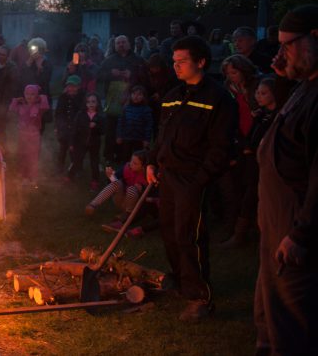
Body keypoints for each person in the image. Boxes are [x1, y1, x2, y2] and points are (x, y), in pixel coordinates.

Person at [146, 35, 236, 322]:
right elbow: (161, 135)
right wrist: (151, 161)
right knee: (170, 231)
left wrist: (200, 179)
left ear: (201, 61)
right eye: (174, 62)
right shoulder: (173, 96)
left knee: (189, 235)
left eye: (182, 61)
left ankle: (200, 297)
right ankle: (183, 283)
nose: (176, 67)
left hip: (192, 178)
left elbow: (221, 146)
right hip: (168, 175)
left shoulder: (218, 98)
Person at [253, 4, 318, 355]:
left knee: (293, 325)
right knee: (267, 315)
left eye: (287, 45)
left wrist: (300, 233)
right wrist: (281, 74)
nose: (281, 54)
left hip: (296, 231)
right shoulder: (304, 86)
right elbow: (278, 116)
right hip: (274, 223)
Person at [220, 77, 280, 248]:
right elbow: (251, 135)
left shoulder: (276, 117)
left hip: (266, 165)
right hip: (251, 162)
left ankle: (251, 234)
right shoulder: (260, 115)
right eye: (258, 93)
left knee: (257, 197)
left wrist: (252, 147)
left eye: (263, 93)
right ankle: (244, 233)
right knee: (248, 194)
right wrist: (246, 146)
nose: (259, 96)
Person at [98, 35, 145, 163]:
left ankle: (129, 157)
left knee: (130, 128)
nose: (121, 45)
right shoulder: (109, 60)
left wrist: (132, 75)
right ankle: (109, 156)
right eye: (118, 43)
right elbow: (99, 75)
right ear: (114, 45)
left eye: (123, 42)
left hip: (132, 100)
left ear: (129, 44)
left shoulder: (138, 59)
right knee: (111, 128)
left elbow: (145, 77)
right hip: (113, 100)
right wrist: (111, 74)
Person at [87, 150, 149, 235]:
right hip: (122, 200)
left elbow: (149, 199)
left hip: (134, 208)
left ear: (143, 166)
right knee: (117, 183)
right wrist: (111, 176)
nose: (131, 164)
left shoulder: (148, 177)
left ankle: (126, 216)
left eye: (135, 163)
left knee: (132, 189)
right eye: (131, 161)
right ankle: (93, 205)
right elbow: (114, 181)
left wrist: (142, 189)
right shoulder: (127, 168)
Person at [8, 84, 50, 188]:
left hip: (34, 136)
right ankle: (23, 177)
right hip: (22, 136)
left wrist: (42, 97)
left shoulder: (38, 107)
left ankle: (32, 177)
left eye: (32, 94)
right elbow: (11, 109)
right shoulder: (21, 106)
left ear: (36, 96)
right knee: (22, 156)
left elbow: (46, 106)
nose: (29, 96)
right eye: (27, 94)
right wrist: (16, 100)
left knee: (33, 157)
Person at [68, 93, 105, 190]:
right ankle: (70, 176)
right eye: (88, 102)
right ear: (85, 103)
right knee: (77, 159)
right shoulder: (81, 114)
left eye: (93, 101)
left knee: (94, 162)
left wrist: (96, 126)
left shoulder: (100, 116)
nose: (91, 104)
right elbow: (74, 129)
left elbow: (103, 130)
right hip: (81, 142)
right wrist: (72, 143)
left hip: (94, 143)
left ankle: (95, 180)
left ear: (97, 103)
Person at [54, 76, 85, 172]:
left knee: (74, 149)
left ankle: (75, 167)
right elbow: (58, 112)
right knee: (63, 148)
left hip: (76, 128)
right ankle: (60, 166)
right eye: (69, 86)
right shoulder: (63, 97)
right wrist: (57, 126)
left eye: (74, 86)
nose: (71, 88)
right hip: (64, 127)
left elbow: (82, 111)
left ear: (79, 87)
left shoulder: (82, 98)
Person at [115, 85, 153, 162]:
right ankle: (125, 172)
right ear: (131, 95)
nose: (136, 96)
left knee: (138, 158)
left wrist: (146, 139)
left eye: (139, 94)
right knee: (126, 157)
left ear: (143, 96)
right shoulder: (126, 108)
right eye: (134, 94)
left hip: (139, 138)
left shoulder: (146, 110)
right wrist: (119, 135)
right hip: (127, 137)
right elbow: (121, 123)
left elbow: (148, 126)